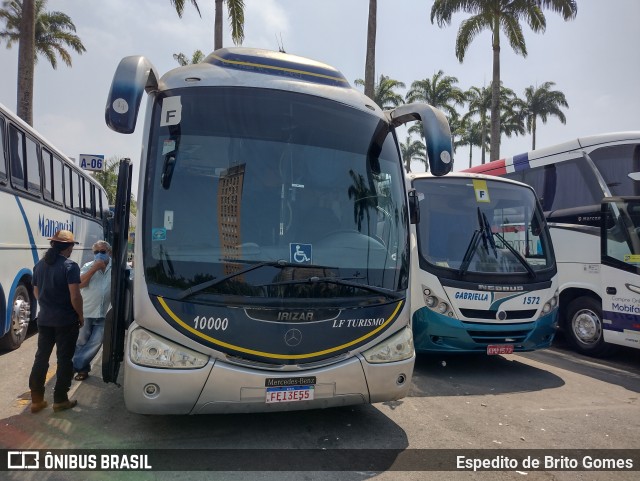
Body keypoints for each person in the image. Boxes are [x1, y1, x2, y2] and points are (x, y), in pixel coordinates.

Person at [29, 230, 84, 413]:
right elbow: (75, 296)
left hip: (44, 319)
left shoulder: (39, 265)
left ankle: (36, 400)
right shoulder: (70, 266)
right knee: (64, 360)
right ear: (68, 247)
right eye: (71, 246)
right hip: (66, 321)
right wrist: (80, 315)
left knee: (41, 357)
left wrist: (46, 305)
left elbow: (36, 292)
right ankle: (60, 400)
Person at [72, 240, 112, 381]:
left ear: (109, 252)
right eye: (96, 252)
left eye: (102, 252)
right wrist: (94, 269)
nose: (99, 255)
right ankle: (82, 369)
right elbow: (80, 284)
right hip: (87, 312)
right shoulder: (88, 266)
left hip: (105, 312)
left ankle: (73, 365)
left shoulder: (117, 268)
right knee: (81, 341)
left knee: (96, 342)